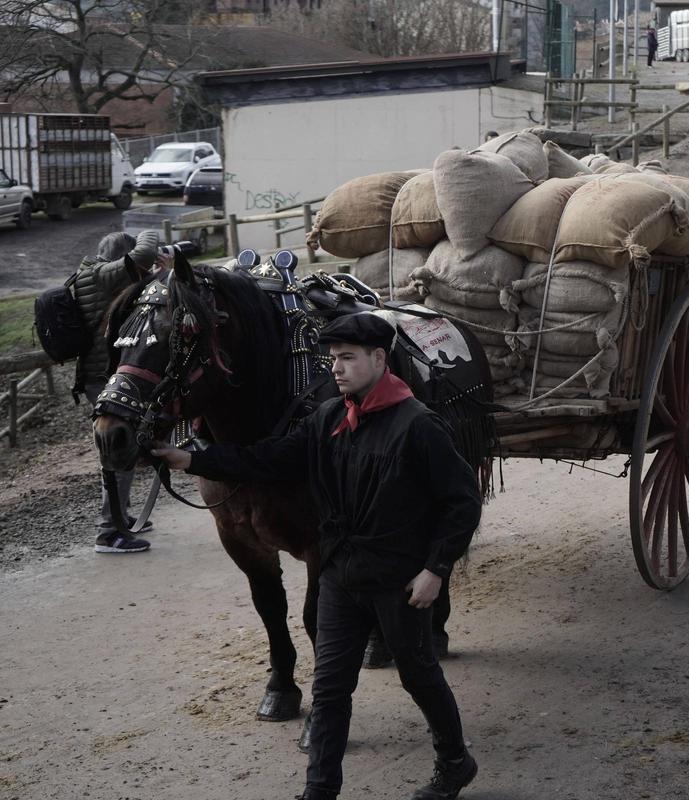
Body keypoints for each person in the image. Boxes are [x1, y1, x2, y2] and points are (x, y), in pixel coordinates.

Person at [152, 312, 483, 800]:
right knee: (329, 689)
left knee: (418, 675)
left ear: (378, 359)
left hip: (398, 581)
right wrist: (193, 459)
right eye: (332, 359)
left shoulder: (419, 426)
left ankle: (455, 762)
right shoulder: (329, 418)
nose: (337, 369)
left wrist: (436, 569)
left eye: (348, 359)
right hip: (340, 575)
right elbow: (267, 458)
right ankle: (319, 791)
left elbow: (463, 502)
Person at [78, 230, 164, 553]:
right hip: (103, 378)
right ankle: (108, 532)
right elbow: (141, 257)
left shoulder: (92, 274)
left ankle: (119, 516)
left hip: (101, 376)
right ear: (119, 258)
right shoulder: (102, 275)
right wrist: (148, 232)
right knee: (118, 448)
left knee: (120, 447)